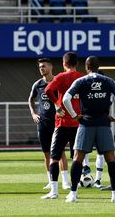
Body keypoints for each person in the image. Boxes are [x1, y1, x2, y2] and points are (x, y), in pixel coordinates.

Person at [62, 56, 115, 203]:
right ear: (99, 67)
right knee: (110, 158)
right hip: (104, 123)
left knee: (78, 157)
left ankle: (73, 194)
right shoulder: (108, 81)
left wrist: (74, 115)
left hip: (86, 123)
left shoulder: (81, 81)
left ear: (86, 67)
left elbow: (66, 98)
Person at [41, 52, 83, 199]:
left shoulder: (61, 77)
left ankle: (54, 191)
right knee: (77, 158)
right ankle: (74, 191)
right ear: (76, 63)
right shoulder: (81, 77)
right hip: (78, 123)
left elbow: (48, 90)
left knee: (54, 157)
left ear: (64, 63)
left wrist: (57, 104)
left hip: (62, 123)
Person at [28, 58, 70, 190]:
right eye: (40, 67)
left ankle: (65, 181)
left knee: (60, 152)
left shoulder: (58, 82)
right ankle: (51, 181)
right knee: (46, 153)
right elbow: (30, 99)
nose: (41, 68)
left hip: (57, 122)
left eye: (44, 66)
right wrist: (33, 114)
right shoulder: (38, 84)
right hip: (43, 123)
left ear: (51, 67)